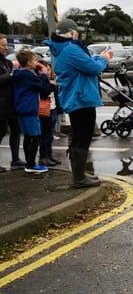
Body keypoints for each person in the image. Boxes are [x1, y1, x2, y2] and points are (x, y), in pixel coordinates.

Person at [44, 18, 111, 188]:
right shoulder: (71, 49)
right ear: (72, 33)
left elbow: (84, 64)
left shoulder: (60, 49)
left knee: (77, 136)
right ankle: (79, 178)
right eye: (77, 33)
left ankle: (79, 176)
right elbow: (94, 68)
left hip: (74, 97)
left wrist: (94, 59)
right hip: (82, 98)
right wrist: (103, 59)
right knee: (83, 137)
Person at [11, 50, 51, 173]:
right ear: (28, 63)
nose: (36, 63)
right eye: (34, 60)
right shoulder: (28, 75)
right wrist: (44, 74)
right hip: (30, 109)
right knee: (35, 136)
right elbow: (44, 88)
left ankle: (29, 163)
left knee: (27, 136)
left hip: (20, 108)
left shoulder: (18, 74)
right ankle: (31, 164)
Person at [0, 34, 25, 171]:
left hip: (11, 102)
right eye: (3, 45)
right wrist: (9, 76)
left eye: (6, 45)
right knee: (1, 132)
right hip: (1, 104)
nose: (5, 48)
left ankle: (15, 159)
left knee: (16, 130)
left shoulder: (7, 62)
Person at [37, 60, 60, 167]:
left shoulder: (50, 80)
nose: (49, 72)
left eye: (50, 69)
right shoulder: (41, 80)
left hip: (53, 109)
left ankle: (49, 155)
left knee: (50, 135)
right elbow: (44, 94)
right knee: (44, 135)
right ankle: (43, 157)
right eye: (47, 69)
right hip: (45, 111)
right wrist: (52, 85)